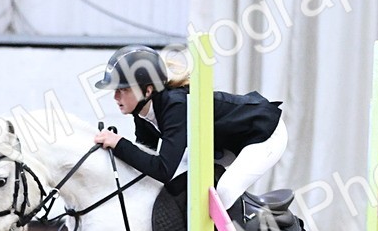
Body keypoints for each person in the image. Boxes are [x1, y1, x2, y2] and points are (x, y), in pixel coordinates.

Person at [91, 45, 288, 211]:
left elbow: (163, 170)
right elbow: (145, 162)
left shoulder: (175, 106)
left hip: (265, 134)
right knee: (190, 187)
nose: (115, 97)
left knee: (225, 193)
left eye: (123, 90)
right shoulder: (142, 112)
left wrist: (119, 144)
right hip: (227, 144)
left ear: (148, 90)